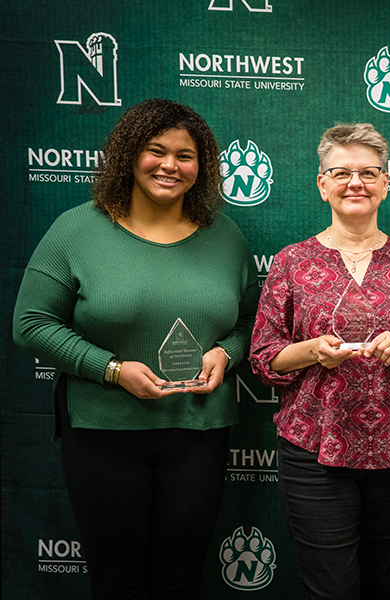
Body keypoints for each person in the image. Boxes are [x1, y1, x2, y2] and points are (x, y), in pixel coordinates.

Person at [13, 99, 258, 599]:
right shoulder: (77, 229)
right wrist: (111, 369)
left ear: (202, 167)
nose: (170, 165)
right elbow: (31, 324)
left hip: (198, 430)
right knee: (118, 579)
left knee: (181, 577)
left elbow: (253, 322)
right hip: (104, 431)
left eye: (185, 156)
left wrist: (227, 355)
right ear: (129, 155)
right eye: (156, 150)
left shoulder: (226, 236)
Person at [249, 123, 390, 600]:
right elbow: (262, 359)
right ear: (322, 184)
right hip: (314, 447)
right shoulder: (290, 262)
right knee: (331, 589)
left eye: (367, 173)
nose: (354, 183)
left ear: (385, 183)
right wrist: (312, 351)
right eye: (341, 172)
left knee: (381, 583)